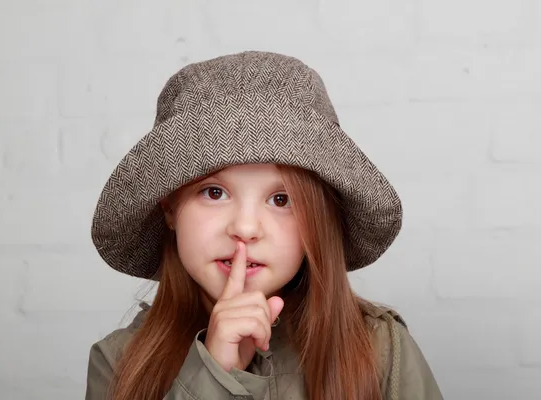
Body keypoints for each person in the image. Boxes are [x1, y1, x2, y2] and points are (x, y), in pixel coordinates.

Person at [85, 51, 443, 400]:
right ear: (169, 209)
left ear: (317, 222)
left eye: (281, 200)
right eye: (213, 192)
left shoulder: (380, 350)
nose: (245, 227)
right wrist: (213, 377)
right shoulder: (119, 363)